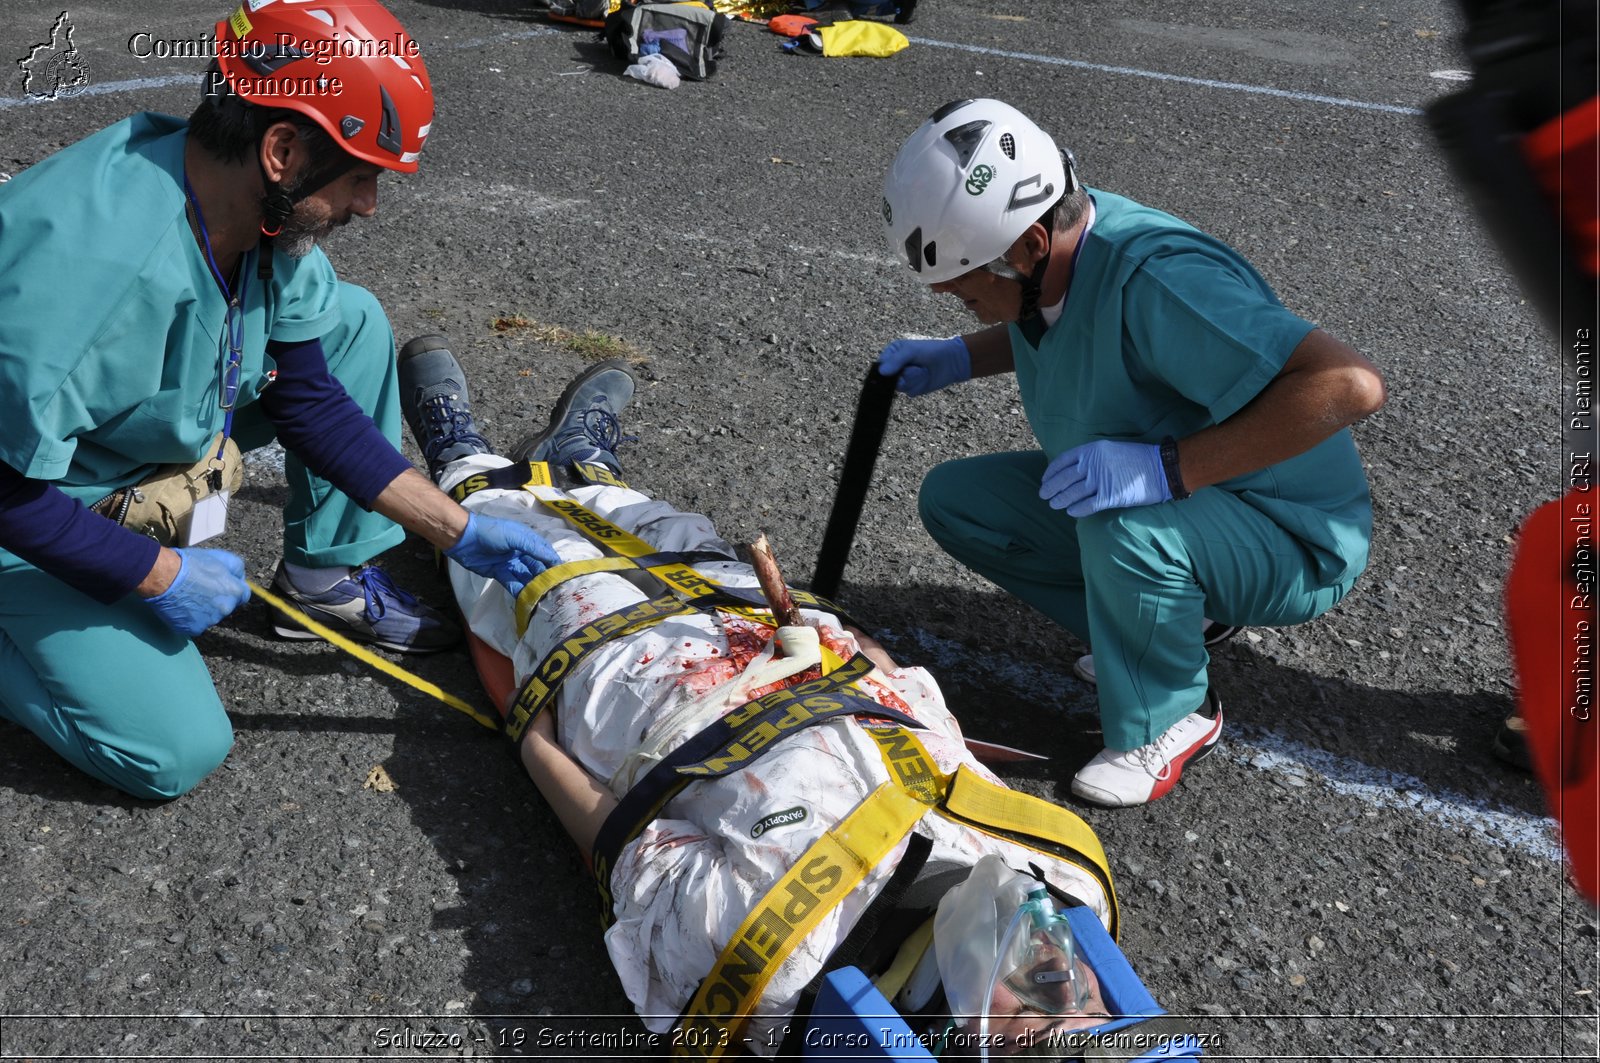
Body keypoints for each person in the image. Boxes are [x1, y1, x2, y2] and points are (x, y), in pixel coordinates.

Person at [399, 340, 1198, 1060]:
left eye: (1038, 1017)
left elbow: (624, 839)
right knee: (685, 538)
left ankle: (460, 462)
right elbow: (941, 742)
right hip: (805, 653)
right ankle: (588, 469)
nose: (1058, 968)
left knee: (545, 572)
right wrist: (869, 658)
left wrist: (535, 739)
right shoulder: (1061, 876)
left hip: (657, 685)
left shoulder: (773, 959)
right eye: (1086, 1002)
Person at [0, 1, 560, 800]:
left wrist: (457, 529)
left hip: (103, 436)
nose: (368, 204)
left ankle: (323, 576)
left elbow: (308, 397)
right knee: (171, 747)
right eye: (362, 175)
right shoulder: (89, 273)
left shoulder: (252, 215)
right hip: (23, 492)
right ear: (282, 148)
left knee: (352, 319)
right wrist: (156, 571)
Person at [876, 99, 1388, 808]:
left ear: (1026, 245)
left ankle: (1174, 713)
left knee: (1124, 516)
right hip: (1210, 508)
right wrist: (959, 357)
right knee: (959, 503)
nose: (960, 299)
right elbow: (1058, 321)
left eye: (965, 287)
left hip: (1290, 532)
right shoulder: (1058, 252)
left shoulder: (1161, 278)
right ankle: (1185, 617)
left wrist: (1166, 468)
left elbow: (1349, 384)